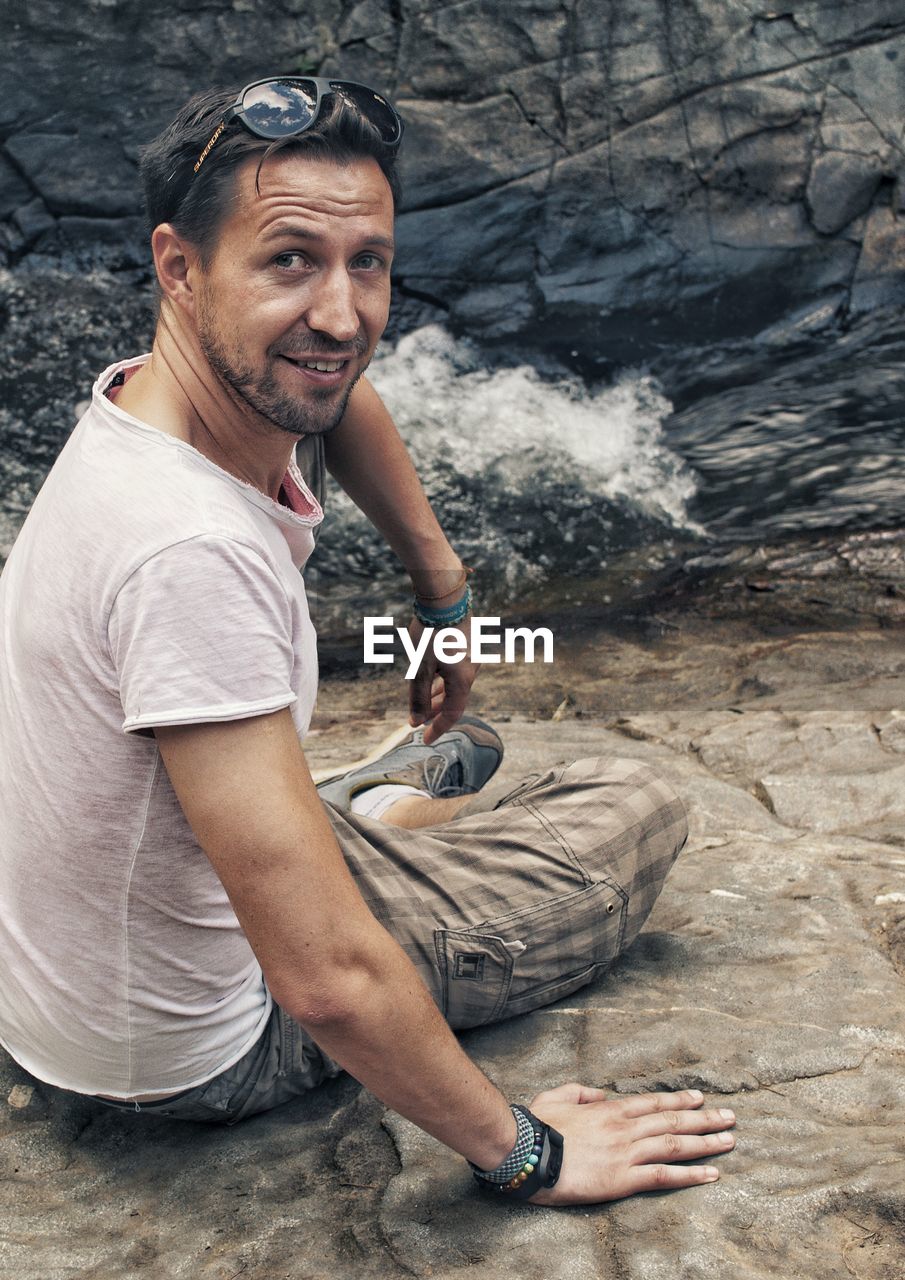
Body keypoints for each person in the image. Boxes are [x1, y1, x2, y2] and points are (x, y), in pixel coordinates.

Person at [0, 77, 736, 1204]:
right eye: (289, 259)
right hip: (191, 1050)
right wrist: (526, 1150)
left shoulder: (154, 405)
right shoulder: (186, 551)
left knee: (472, 747)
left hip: (76, 979)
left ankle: (359, 807)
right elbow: (327, 982)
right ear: (178, 265)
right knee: (633, 805)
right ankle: (365, 813)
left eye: (369, 262)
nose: (342, 315)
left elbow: (340, 395)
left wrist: (441, 600)